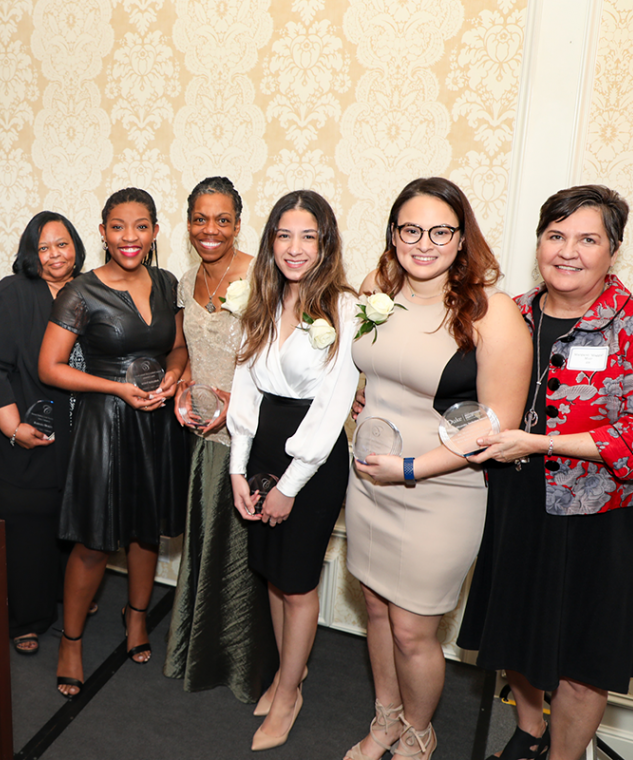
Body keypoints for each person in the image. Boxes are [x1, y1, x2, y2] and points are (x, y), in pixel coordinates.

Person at [458, 185, 633, 760]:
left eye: (588, 239)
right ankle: (529, 731)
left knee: (588, 656)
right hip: (517, 500)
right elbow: (460, 390)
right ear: (538, 242)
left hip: (603, 519)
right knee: (515, 628)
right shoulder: (508, 314)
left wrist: (538, 441)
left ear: (613, 250)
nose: (568, 251)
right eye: (555, 236)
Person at [342, 177, 530, 760]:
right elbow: (379, 367)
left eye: (441, 230)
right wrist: (360, 397)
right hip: (370, 477)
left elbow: (494, 428)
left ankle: (420, 734)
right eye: (411, 229)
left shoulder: (492, 313)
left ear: (462, 236)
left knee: (412, 629)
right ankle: (385, 719)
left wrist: (411, 467)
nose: (424, 243)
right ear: (394, 234)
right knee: (374, 606)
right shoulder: (379, 288)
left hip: (441, 489)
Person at [39, 187, 188, 699]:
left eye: (141, 226)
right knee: (94, 540)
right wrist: (117, 388)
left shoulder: (168, 283)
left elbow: (179, 347)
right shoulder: (80, 292)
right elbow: (50, 367)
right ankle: (72, 642)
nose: (130, 237)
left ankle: (137, 617)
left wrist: (172, 377)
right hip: (104, 424)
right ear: (102, 232)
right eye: (119, 226)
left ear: (154, 232)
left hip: (157, 423)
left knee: (147, 532)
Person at [227, 189, 360, 751]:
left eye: (308, 235)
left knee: (299, 582)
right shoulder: (258, 298)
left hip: (313, 456)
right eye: (284, 234)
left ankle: (288, 693)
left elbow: (333, 406)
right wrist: (237, 469)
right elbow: (243, 387)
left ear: (325, 243)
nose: (295, 247)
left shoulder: (346, 308)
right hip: (260, 449)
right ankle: (290, 671)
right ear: (270, 241)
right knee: (272, 575)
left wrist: (290, 484)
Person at [163, 177, 273, 703]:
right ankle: (198, 646)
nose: (211, 230)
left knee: (240, 550)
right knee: (206, 539)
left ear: (237, 223)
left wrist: (235, 402)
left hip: (247, 432)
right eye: (201, 219)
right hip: (200, 430)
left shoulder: (262, 276)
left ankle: (238, 662)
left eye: (222, 219)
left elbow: (276, 362)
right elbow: (185, 345)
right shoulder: (186, 281)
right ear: (188, 224)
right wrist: (180, 379)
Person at [0, 211, 86, 656]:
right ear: (30, 253)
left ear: (77, 246)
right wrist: (13, 426)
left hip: (72, 437)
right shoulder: (12, 293)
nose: (55, 254)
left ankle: (61, 595)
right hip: (13, 432)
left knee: (65, 524)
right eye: (44, 247)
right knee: (25, 530)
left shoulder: (90, 290)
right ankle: (25, 618)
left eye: (63, 244)